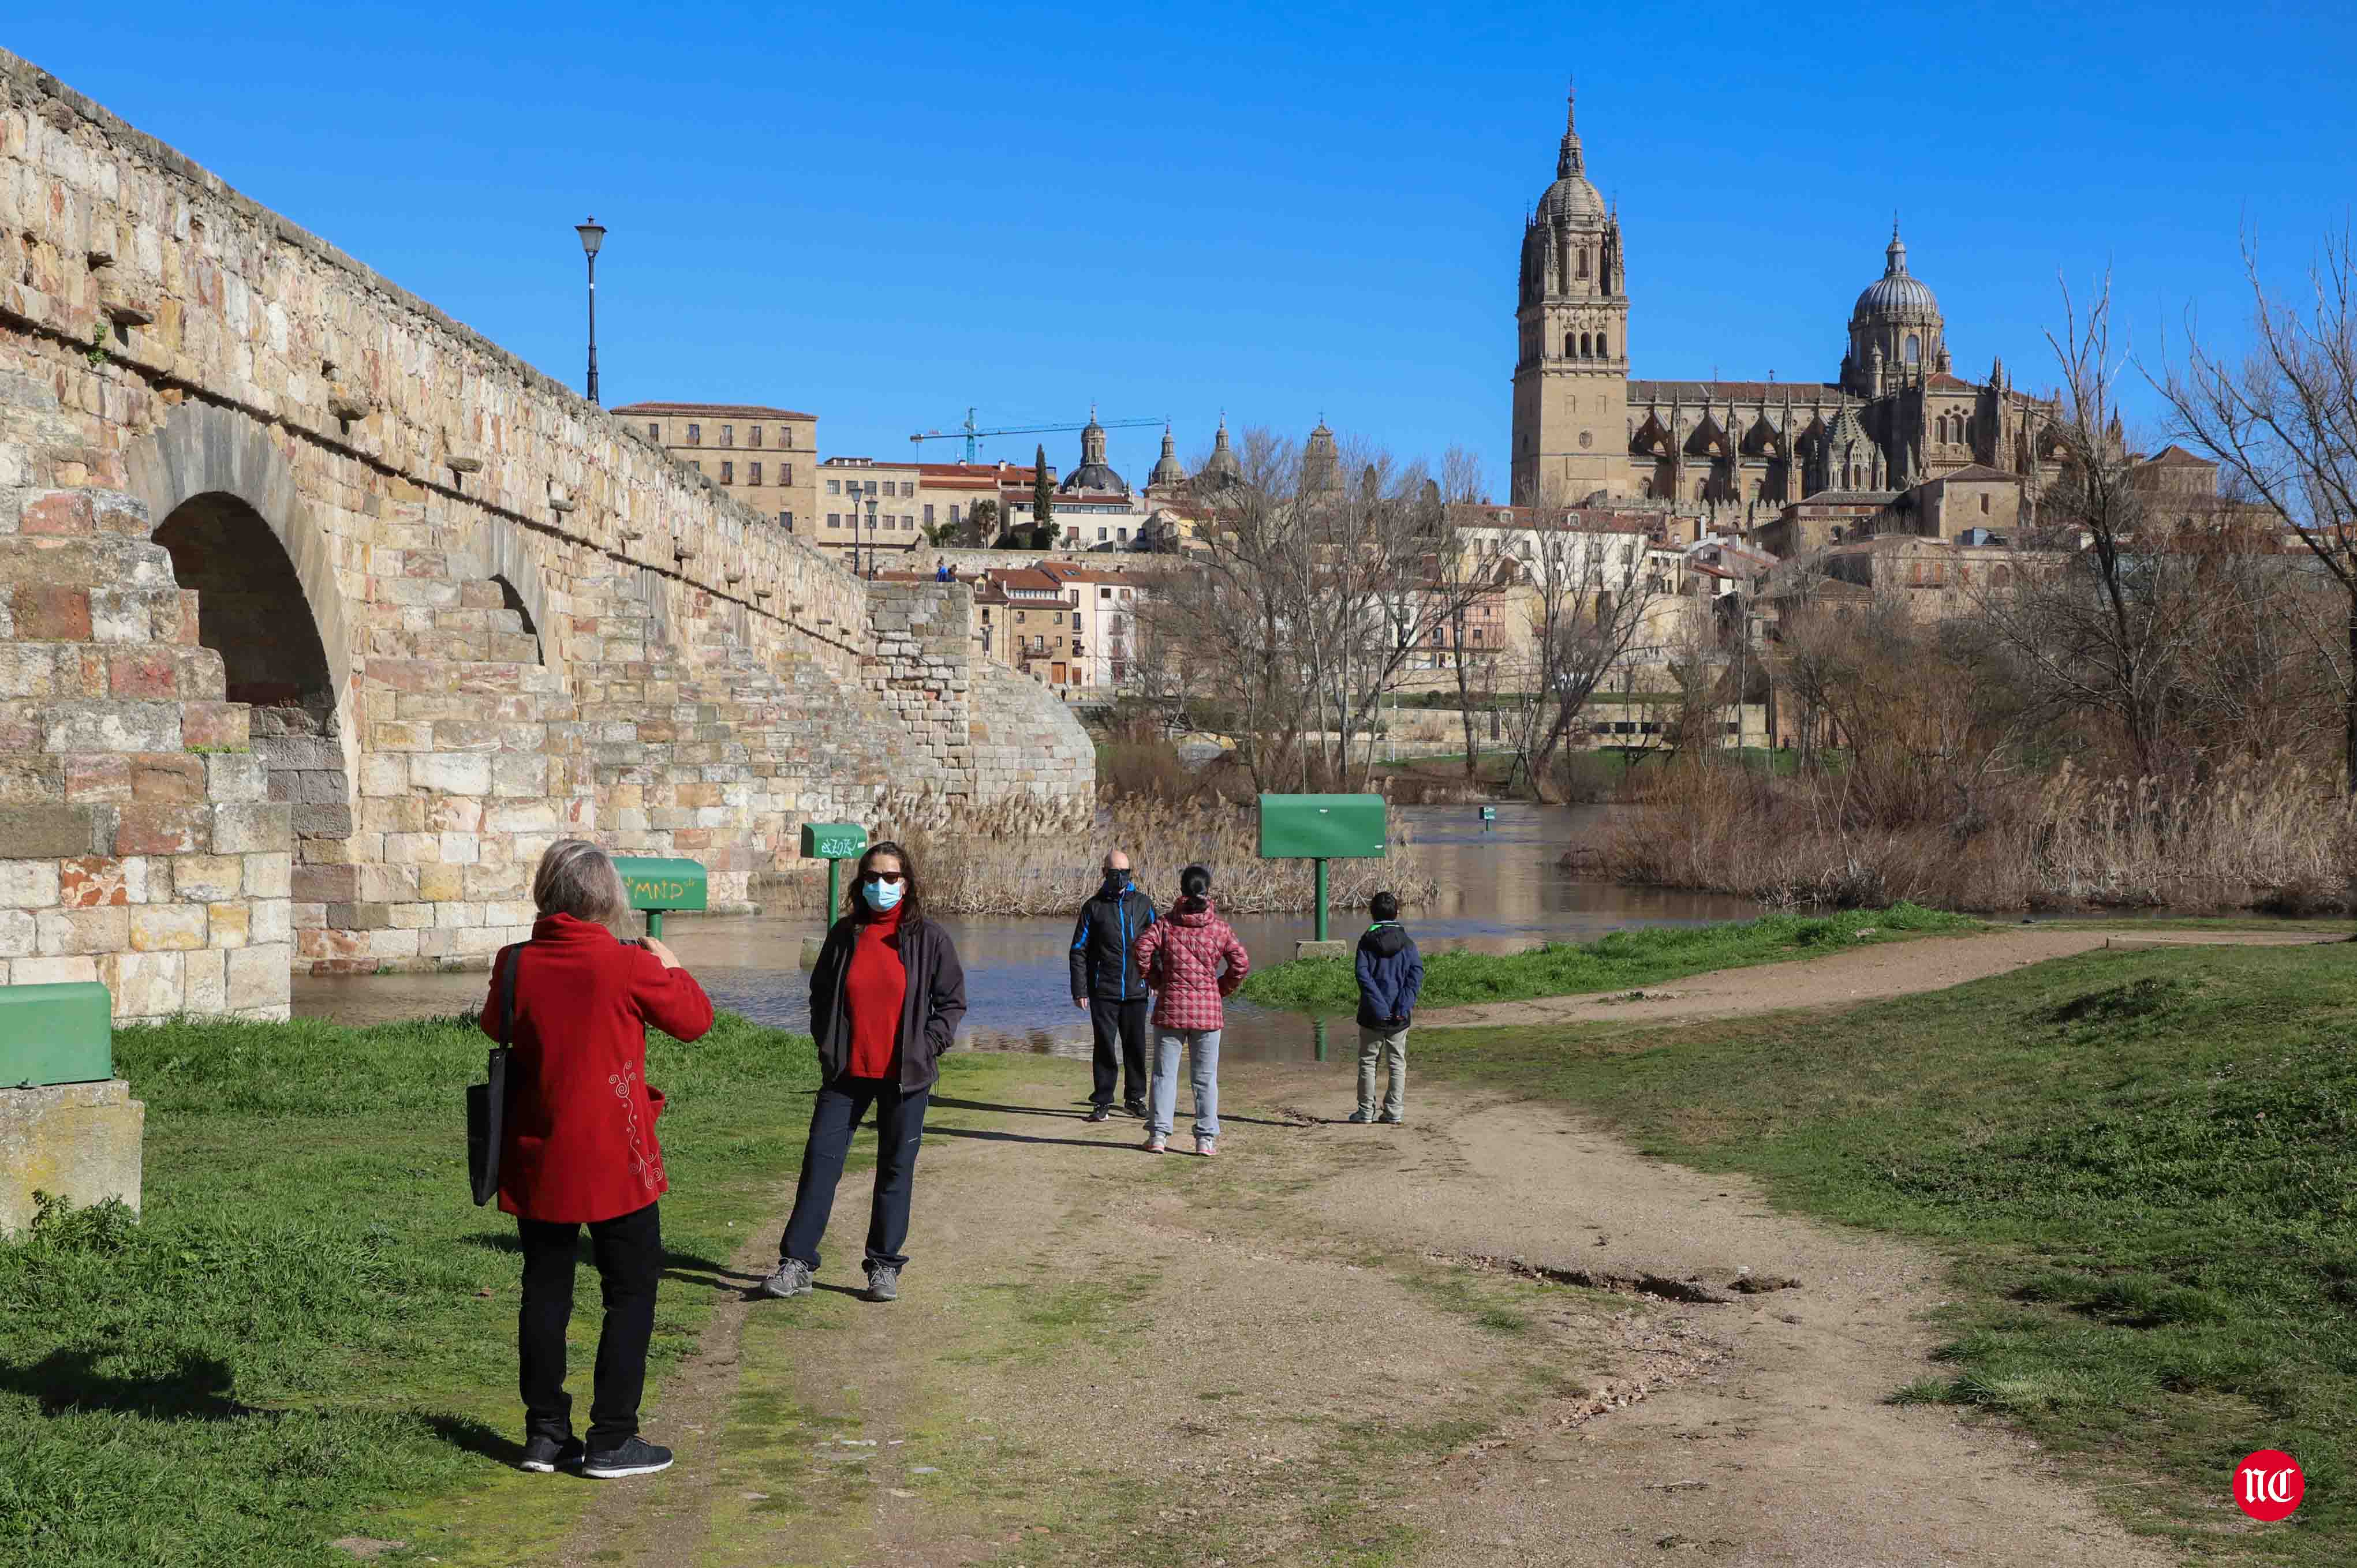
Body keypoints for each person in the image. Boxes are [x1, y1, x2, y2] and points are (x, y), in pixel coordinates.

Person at [482, 839, 714, 1481]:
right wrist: (671, 966)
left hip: (538, 1152)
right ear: (607, 897)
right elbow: (696, 1020)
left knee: (545, 1291)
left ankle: (545, 1435)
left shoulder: (514, 961)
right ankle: (613, 1436)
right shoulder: (627, 964)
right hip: (619, 1155)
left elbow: (490, 1023)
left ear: (546, 891)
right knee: (630, 1291)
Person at [761, 841, 966, 1305]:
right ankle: (796, 1263)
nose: (881, 885)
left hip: (905, 1075)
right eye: (872, 876)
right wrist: (825, 1040)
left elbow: (952, 1002)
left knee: (895, 1169)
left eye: (891, 877)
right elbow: (819, 995)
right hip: (845, 1074)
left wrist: (928, 1045)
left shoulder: (930, 939)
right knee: (819, 1163)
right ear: (860, 882)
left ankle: (883, 1265)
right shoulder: (844, 934)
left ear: (906, 883)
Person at [1131, 863, 1249, 1157]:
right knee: (1205, 1078)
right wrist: (1220, 988)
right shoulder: (1220, 929)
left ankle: (1158, 1137)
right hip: (1208, 1013)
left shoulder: (1165, 925)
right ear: (1208, 891)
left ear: (1181, 890)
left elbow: (1141, 948)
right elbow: (1241, 964)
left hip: (1171, 1008)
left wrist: (1154, 979)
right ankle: (1205, 1140)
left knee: (1164, 1075)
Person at [1069, 850, 1157, 1122]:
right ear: (1105, 873)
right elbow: (1078, 951)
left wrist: (1155, 977)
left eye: (1126, 872)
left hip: (1136, 990)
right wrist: (1080, 989)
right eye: (1116, 872)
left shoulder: (1143, 904)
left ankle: (1135, 1099)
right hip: (1103, 991)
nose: (1121, 878)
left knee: (1136, 1046)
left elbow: (1158, 943)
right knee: (1104, 1046)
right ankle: (1103, 1101)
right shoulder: (1093, 907)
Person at [1351, 891, 1424, 1125]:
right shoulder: (1408, 943)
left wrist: (1380, 1008)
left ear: (1372, 914)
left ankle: (1365, 1113)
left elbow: (1363, 977)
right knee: (1397, 1063)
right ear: (1397, 913)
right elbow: (1416, 976)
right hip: (1399, 1017)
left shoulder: (1365, 942)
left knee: (1368, 1062)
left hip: (1372, 1015)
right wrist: (1402, 1006)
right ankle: (1394, 1111)